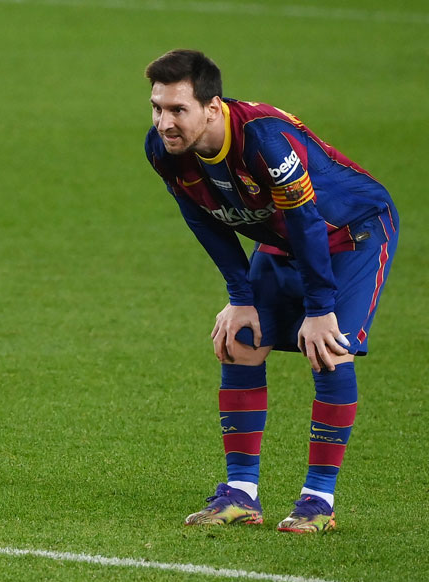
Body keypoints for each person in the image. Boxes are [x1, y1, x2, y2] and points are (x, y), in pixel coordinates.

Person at [143, 49, 398, 533]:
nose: (164, 122)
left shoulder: (264, 141)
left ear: (211, 108)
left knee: (328, 348)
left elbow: (306, 220)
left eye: (178, 110)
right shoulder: (166, 151)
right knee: (240, 344)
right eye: (157, 107)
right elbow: (202, 217)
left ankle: (318, 501)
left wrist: (321, 309)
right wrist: (239, 297)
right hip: (284, 236)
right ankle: (241, 495)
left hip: (351, 233)